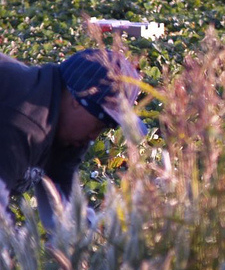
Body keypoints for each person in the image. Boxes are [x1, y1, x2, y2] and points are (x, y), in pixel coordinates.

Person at [0, 48, 145, 228]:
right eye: (99, 124)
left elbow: (66, 214)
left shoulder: (64, 128)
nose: (94, 136)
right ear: (77, 101)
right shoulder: (23, 124)